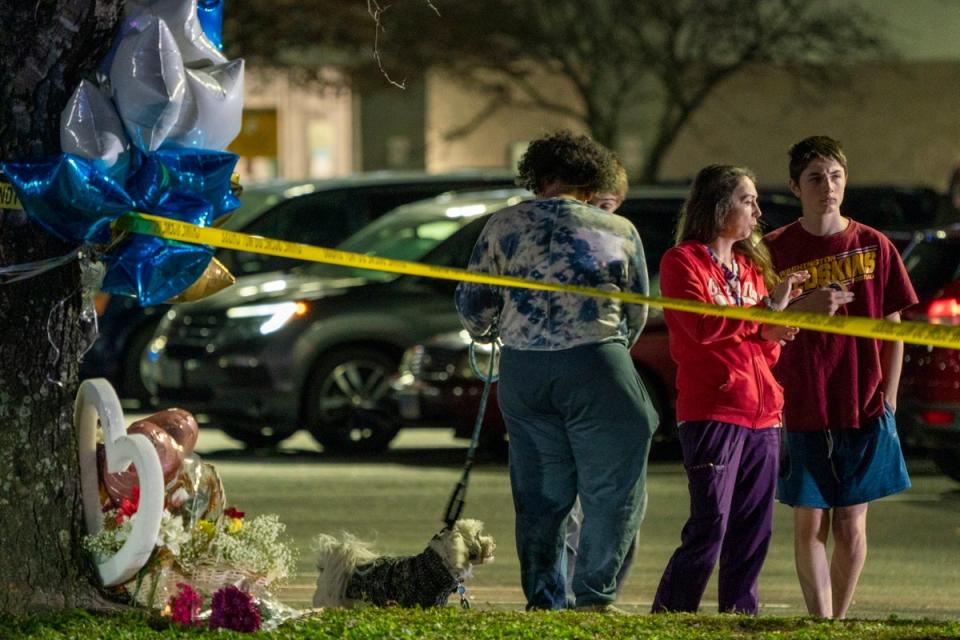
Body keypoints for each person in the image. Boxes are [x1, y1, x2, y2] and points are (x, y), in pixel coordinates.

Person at [455, 130, 658, 612]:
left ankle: (544, 598)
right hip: (595, 364)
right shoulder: (618, 230)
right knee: (612, 489)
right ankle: (594, 595)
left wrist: (503, 327)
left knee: (540, 496)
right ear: (591, 181)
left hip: (524, 372)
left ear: (540, 177)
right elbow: (636, 313)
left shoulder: (502, 225)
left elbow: (472, 307)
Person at [764, 136, 918, 619]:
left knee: (851, 522)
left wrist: (888, 395)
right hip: (801, 401)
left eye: (834, 176)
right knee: (810, 522)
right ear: (795, 186)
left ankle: (840, 618)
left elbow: (894, 330)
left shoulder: (874, 245)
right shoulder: (773, 249)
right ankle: (820, 620)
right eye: (814, 178)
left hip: (862, 402)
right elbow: (761, 326)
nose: (827, 187)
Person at [651, 164, 807, 615]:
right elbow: (700, 326)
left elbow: (759, 347)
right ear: (718, 205)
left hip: (763, 415)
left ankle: (740, 618)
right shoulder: (682, 261)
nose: (758, 211)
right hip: (713, 410)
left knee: (754, 529)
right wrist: (763, 313)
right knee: (711, 525)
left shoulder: (749, 268)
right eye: (747, 200)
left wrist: (771, 335)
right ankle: (672, 616)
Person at [563, 154, 638, 601]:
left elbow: (637, 310)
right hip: (568, 380)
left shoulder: (619, 241)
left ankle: (593, 589)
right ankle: (573, 591)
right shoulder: (567, 248)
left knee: (610, 493)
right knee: (564, 497)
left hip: (602, 379)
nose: (600, 218)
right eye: (595, 205)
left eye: (609, 207)